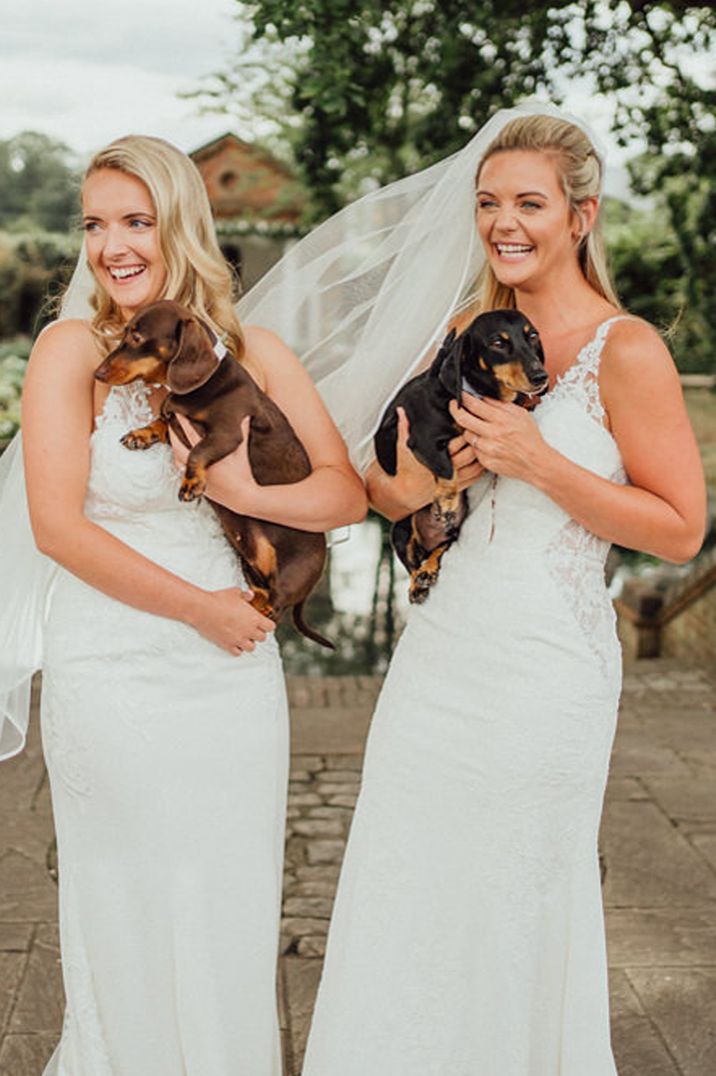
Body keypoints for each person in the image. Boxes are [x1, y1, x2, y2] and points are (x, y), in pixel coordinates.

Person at [292, 107, 706, 1073]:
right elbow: (376, 489)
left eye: (529, 202)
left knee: (515, 890)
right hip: (440, 659)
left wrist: (537, 461)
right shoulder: (458, 334)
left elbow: (682, 529)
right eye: (488, 203)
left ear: (581, 215)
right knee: (412, 881)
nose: (503, 223)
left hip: (546, 667)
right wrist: (422, 484)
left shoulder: (627, 349)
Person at [0, 135, 366, 1075]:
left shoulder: (254, 351)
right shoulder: (70, 351)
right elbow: (57, 528)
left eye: (136, 221)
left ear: (181, 227)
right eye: (94, 224)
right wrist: (200, 608)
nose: (112, 246)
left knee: (224, 901)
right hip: (117, 665)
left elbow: (343, 495)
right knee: (124, 901)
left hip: (232, 682)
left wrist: (247, 494)